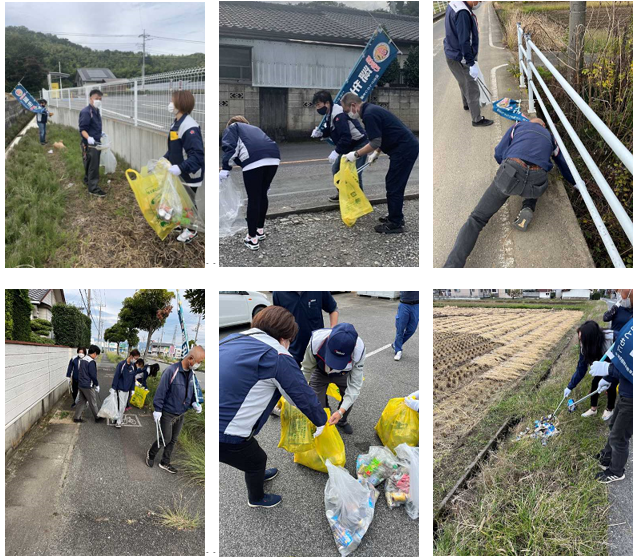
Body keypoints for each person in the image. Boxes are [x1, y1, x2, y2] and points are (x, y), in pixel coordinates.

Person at [219, 306, 328, 508]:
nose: (288, 346)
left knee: (253, 455)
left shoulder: (231, 339)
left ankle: (257, 473)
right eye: (289, 342)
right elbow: (301, 396)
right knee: (257, 460)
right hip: (226, 433)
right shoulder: (277, 356)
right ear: (284, 337)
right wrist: (321, 421)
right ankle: (256, 499)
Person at [444, 117, 576, 267]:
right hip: (536, 179)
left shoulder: (518, 126)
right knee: (537, 175)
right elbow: (563, 164)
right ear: (544, 126)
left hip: (512, 169)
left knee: (477, 219)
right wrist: (577, 184)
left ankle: (451, 267)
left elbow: (499, 152)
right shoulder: (551, 138)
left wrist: (507, 171)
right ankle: (528, 206)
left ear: (529, 122)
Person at [340, 93, 419, 233]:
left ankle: (395, 223)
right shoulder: (371, 110)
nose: (348, 114)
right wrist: (376, 152)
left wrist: (356, 154)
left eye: (347, 111)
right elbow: (384, 134)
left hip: (404, 149)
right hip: (404, 147)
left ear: (353, 105)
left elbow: (375, 141)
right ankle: (396, 217)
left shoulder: (369, 115)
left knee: (394, 184)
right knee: (393, 182)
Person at [220, 116, 281, 250]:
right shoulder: (255, 129)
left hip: (255, 160)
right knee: (262, 194)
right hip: (274, 157)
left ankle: (252, 238)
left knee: (253, 199)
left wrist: (225, 168)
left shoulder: (233, 128)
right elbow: (240, 156)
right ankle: (260, 230)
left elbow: (230, 148)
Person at [146, 346, 204, 474]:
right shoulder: (172, 371)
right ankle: (151, 454)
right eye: (199, 362)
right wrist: (158, 409)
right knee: (165, 438)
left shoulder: (191, 374)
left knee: (173, 439)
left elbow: (192, 390)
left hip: (181, 412)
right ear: (190, 358)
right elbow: (161, 391)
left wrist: (195, 402)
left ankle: (165, 462)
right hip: (167, 412)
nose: (199, 365)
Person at [301, 323, 365, 435]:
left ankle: (342, 421)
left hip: (343, 374)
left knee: (349, 399)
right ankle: (323, 420)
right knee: (316, 403)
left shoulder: (359, 350)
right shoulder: (316, 341)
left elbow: (354, 386)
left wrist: (341, 412)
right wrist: (296, 392)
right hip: (320, 372)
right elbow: (306, 369)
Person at [589, 320, 632, 483]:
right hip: (625, 392)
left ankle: (616, 471)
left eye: (622, 291)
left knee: (619, 436)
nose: (621, 293)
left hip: (632, 398)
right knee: (614, 426)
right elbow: (624, 360)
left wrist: (608, 369)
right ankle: (607, 456)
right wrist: (608, 377)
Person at [311, 90, 369, 203]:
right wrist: (320, 133)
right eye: (316, 105)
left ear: (327, 103)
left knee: (354, 173)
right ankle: (342, 194)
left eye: (318, 105)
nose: (317, 108)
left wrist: (336, 152)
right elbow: (331, 130)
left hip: (359, 144)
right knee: (336, 169)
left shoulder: (339, 115)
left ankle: (359, 200)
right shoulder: (330, 113)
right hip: (347, 145)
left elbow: (345, 136)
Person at [164, 90, 205, 244]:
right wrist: (165, 158)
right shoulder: (177, 123)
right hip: (180, 170)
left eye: (172, 101)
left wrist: (180, 168)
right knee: (180, 200)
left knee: (188, 202)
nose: (170, 104)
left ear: (180, 103)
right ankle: (182, 224)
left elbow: (197, 156)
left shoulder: (189, 126)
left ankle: (191, 229)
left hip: (190, 173)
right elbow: (175, 148)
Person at [443, 1, 493, 127]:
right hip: (461, 57)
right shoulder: (463, 13)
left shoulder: (454, 3)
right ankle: (477, 119)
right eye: (479, 0)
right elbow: (464, 41)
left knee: (462, 81)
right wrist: (471, 63)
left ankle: (466, 104)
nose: (479, 2)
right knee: (472, 87)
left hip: (451, 53)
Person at [563, 321, 616, 420]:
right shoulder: (584, 346)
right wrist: (570, 386)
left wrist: (608, 377)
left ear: (592, 339)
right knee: (595, 382)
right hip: (600, 364)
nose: (581, 343)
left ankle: (610, 409)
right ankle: (593, 409)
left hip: (614, 363)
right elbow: (581, 369)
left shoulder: (611, 339)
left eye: (583, 339)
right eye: (580, 339)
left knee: (611, 385)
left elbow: (620, 363)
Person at [272, 291, 338, 365]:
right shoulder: (279, 293)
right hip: (293, 353)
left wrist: (333, 330)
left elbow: (333, 309)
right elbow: (278, 320)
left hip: (317, 352)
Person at [78, 89, 106, 197]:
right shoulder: (86, 112)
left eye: (100, 99)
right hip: (90, 143)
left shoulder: (96, 110)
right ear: (91, 99)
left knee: (89, 163)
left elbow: (94, 126)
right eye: (96, 99)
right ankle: (93, 188)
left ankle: (87, 180)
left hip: (96, 140)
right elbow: (82, 129)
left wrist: (100, 133)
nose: (98, 101)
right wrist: (89, 138)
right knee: (93, 165)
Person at [73, 345, 103, 423]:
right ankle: (97, 417)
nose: (96, 356)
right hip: (88, 385)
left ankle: (76, 417)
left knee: (81, 401)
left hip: (81, 384)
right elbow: (93, 375)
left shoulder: (83, 359)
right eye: (97, 355)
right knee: (93, 401)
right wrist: (97, 384)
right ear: (95, 353)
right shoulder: (91, 362)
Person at [111, 350, 139, 428]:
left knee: (122, 406)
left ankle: (116, 419)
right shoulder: (121, 364)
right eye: (135, 358)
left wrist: (132, 389)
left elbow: (133, 378)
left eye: (137, 359)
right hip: (120, 389)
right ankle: (118, 422)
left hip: (127, 390)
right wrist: (113, 388)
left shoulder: (133, 366)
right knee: (121, 406)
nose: (135, 360)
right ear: (131, 356)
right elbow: (116, 376)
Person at [392, 291, 419, 361]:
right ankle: (398, 351)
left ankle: (396, 344)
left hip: (416, 305)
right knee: (400, 329)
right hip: (404, 304)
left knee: (412, 329)